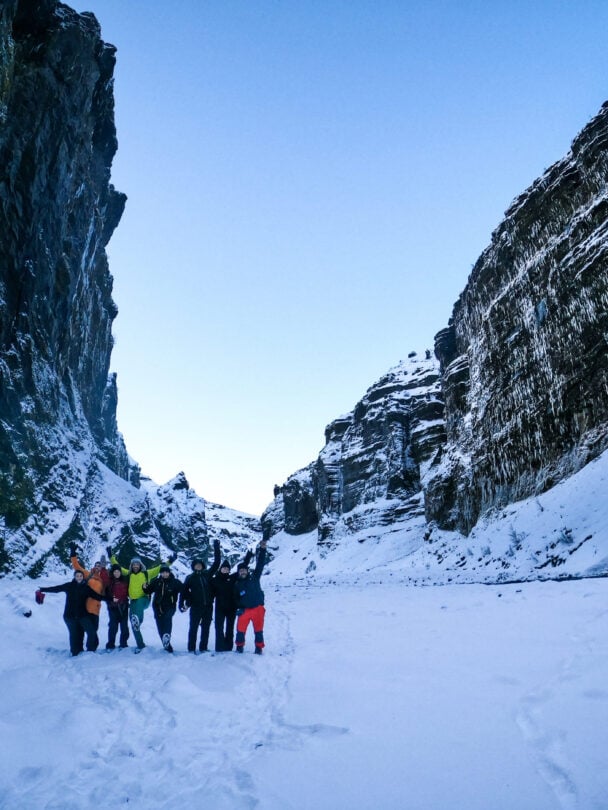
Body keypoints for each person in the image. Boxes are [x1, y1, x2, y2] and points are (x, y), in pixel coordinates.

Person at [108, 546, 175, 652]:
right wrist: (111, 556)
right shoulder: (128, 574)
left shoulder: (146, 573)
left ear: (140, 565)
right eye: (134, 564)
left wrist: (170, 561)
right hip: (133, 601)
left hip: (144, 599)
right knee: (134, 625)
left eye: (137, 564)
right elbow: (117, 567)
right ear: (131, 565)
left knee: (137, 614)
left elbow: (159, 568)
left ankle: (138, 620)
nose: (135, 566)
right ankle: (140, 645)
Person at [39, 570, 104, 655]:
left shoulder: (86, 588)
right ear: (74, 577)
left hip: (82, 615)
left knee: (91, 631)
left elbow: (97, 596)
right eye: (77, 576)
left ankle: (90, 651)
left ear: (83, 577)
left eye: (81, 576)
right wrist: (43, 589)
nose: (79, 578)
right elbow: (57, 588)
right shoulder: (69, 586)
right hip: (69, 616)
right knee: (74, 635)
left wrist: (112, 599)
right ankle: (76, 652)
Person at [179, 539, 221, 653]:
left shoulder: (207, 574)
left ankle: (203, 648)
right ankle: (191, 648)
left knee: (206, 628)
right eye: (196, 565)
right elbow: (183, 592)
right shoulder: (190, 577)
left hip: (208, 606)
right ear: (193, 567)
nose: (198, 566)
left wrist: (216, 547)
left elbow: (217, 563)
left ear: (202, 566)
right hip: (196, 607)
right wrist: (181, 604)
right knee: (193, 628)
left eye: (200, 565)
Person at [211, 549, 252, 651]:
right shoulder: (215, 580)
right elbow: (210, 592)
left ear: (229, 570)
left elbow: (243, 567)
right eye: (223, 568)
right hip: (219, 608)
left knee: (230, 627)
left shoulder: (232, 578)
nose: (225, 570)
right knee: (219, 628)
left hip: (231, 607)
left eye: (227, 568)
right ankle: (220, 646)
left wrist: (248, 556)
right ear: (220, 569)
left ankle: (228, 646)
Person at [70, 545, 107, 651]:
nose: (97, 567)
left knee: (94, 630)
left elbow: (104, 592)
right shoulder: (87, 574)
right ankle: (81, 648)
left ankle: (92, 649)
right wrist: (73, 553)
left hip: (96, 609)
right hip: (85, 608)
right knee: (84, 629)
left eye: (99, 566)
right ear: (93, 567)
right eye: (96, 565)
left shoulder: (102, 580)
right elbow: (76, 566)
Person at [234, 539, 268, 655]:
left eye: (244, 570)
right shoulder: (237, 584)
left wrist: (263, 549)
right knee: (240, 630)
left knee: (258, 630)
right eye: (241, 570)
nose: (243, 572)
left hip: (258, 608)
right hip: (244, 610)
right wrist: (239, 608)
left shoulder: (255, 577)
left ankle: (259, 648)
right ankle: (239, 646)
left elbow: (260, 564)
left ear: (247, 571)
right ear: (238, 572)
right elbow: (235, 598)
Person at [143, 564, 183, 652]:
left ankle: (167, 635)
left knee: (167, 619)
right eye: (163, 572)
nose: (165, 574)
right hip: (157, 607)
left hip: (170, 606)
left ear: (169, 573)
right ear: (160, 573)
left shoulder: (175, 582)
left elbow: (184, 590)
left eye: (166, 572)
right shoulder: (157, 582)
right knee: (160, 626)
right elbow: (149, 590)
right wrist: (144, 587)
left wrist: (186, 600)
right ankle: (167, 646)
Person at [105, 563, 130, 649]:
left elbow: (129, 592)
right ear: (112, 572)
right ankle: (110, 644)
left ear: (120, 572)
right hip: (113, 608)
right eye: (115, 572)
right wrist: (111, 599)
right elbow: (105, 595)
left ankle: (123, 644)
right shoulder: (109, 583)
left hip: (124, 607)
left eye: (118, 571)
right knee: (113, 627)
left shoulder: (125, 581)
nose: (116, 573)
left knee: (124, 627)